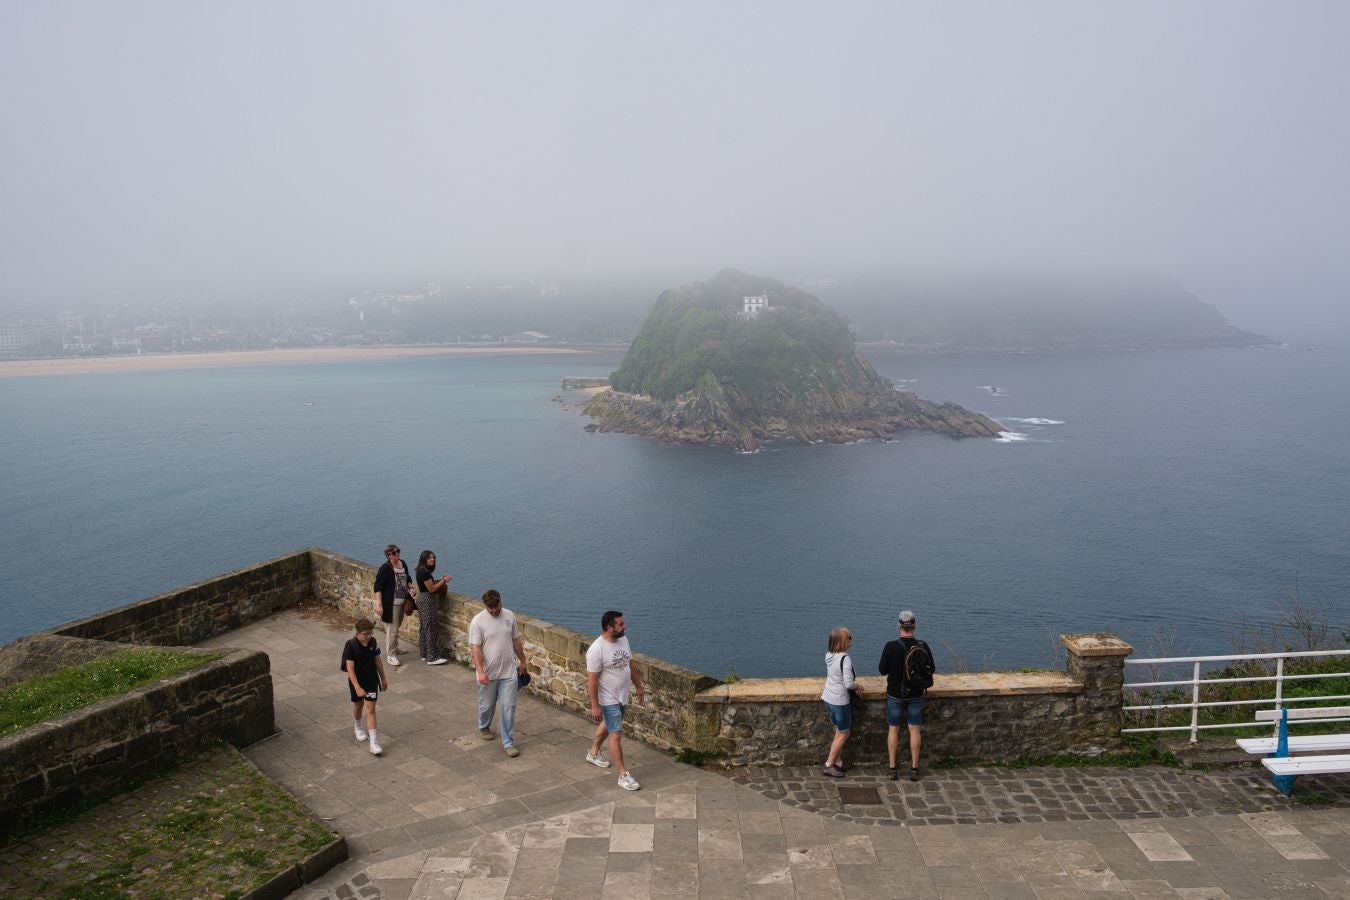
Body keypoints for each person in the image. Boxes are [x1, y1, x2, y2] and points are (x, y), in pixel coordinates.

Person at [585, 610, 646, 791]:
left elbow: (630, 664)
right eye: (620, 624)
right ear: (609, 627)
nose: (624, 626)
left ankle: (593, 752)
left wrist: (639, 686)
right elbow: (592, 680)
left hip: (622, 695)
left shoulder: (624, 640)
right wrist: (595, 705)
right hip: (608, 698)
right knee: (616, 734)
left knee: (610, 724)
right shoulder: (596, 649)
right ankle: (623, 775)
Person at [468, 589, 528, 757]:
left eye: (496, 607)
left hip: (509, 673)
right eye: (490, 608)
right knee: (487, 706)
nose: (494, 610)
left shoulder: (509, 616)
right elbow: (476, 648)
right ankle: (484, 725)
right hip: (488, 674)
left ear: (501, 602)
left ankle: (508, 742)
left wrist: (523, 661)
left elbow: (516, 641)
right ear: (485, 605)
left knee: (508, 708)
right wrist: (480, 671)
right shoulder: (477, 622)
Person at [878, 610, 936, 781]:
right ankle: (914, 769)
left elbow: (882, 670)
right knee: (914, 730)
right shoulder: (923, 645)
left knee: (893, 729)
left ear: (899, 625)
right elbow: (931, 669)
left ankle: (892, 768)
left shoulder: (891, 646)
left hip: (895, 694)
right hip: (916, 694)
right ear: (914, 626)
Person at [342, 617, 389, 755]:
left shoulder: (373, 642)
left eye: (371, 633)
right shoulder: (350, 645)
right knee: (359, 705)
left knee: (371, 708)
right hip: (356, 680)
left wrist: (383, 678)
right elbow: (350, 668)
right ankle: (357, 727)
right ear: (358, 633)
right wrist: (357, 687)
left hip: (371, 680)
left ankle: (374, 743)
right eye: (366, 634)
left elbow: (378, 661)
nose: (369, 636)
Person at [820, 626, 862, 778]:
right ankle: (829, 764)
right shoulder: (845, 658)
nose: (851, 640)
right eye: (849, 637)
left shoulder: (829, 655)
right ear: (843, 641)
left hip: (828, 698)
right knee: (844, 733)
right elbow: (849, 683)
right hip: (839, 701)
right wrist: (859, 686)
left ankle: (838, 762)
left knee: (838, 730)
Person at [372, 544, 417, 666]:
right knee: (392, 630)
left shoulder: (403, 563)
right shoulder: (385, 568)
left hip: (402, 601)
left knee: (397, 627)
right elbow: (378, 587)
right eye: (394, 552)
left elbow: (407, 578)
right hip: (391, 604)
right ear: (389, 555)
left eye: (398, 551)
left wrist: (410, 587)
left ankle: (395, 648)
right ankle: (391, 655)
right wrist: (379, 605)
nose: (397, 554)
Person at [414, 550, 451, 665]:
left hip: (422, 599)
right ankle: (432, 657)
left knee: (424, 628)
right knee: (431, 628)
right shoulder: (424, 572)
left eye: (433, 557)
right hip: (427, 601)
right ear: (424, 559)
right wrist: (444, 580)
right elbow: (432, 589)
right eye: (430, 558)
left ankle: (424, 653)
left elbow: (428, 584)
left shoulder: (420, 570)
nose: (432, 559)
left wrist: (439, 580)